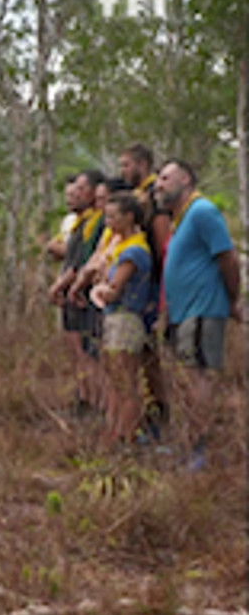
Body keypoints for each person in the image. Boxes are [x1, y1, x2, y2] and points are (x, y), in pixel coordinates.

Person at [156, 158, 241, 469]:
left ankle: (198, 450)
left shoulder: (203, 211)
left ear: (186, 180)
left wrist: (232, 299)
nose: (158, 184)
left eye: (166, 178)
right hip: (184, 312)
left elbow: (228, 257)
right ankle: (188, 441)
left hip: (204, 309)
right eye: (158, 179)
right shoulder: (182, 218)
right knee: (187, 377)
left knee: (198, 377)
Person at [89, 193, 152, 447]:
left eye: (113, 216)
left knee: (125, 381)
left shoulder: (134, 252)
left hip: (125, 319)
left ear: (129, 217)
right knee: (116, 380)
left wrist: (101, 289)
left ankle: (129, 435)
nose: (108, 222)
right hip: (115, 317)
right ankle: (116, 432)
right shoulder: (118, 247)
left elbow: (113, 289)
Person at [118, 143, 171, 436]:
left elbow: (163, 249)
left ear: (142, 164)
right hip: (139, 284)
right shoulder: (136, 196)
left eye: (127, 164)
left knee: (150, 353)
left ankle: (160, 411)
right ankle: (150, 409)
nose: (123, 170)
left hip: (150, 286)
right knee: (141, 353)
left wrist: (162, 293)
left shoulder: (156, 199)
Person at [47, 170, 106, 415]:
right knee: (78, 352)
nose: (74, 194)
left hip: (86, 297)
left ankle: (96, 404)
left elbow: (82, 263)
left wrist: (63, 285)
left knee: (89, 353)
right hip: (73, 295)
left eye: (81, 189)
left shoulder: (99, 223)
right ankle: (84, 399)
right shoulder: (81, 223)